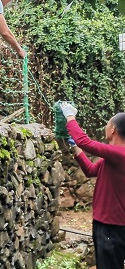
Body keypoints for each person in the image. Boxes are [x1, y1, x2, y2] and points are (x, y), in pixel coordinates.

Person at [60, 102, 125, 269]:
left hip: (112, 226)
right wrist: (75, 148)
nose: (105, 127)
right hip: (105, 224)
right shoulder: (113, 157)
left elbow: (85, 142)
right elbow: (90, 170)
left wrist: (70, 117)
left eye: (107, 124)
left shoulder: (120, 154)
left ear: (113, 130)